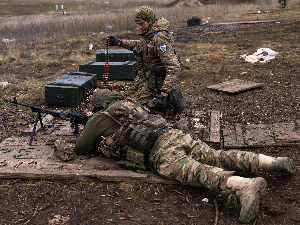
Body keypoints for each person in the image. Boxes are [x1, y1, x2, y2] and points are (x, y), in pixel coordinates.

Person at [73, 89, 294, 224]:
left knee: (196, 172)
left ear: (97, 105)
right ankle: (272, 162)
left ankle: (244, 186)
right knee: (217, 156)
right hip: (174, 133)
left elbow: (81, 148)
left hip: (160, 150)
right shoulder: (129, 103)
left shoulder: (99, 117)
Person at [107, 6, 182, 114]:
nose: (139, 27)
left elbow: (174, 66)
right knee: (121, 98)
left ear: (150, 21)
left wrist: (164, 93)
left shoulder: (159, 38)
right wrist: (119, 42)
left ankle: (170, 98)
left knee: (127, 109)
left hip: (156, 86)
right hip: (146, 82)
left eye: (141, 23)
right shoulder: (149, 34)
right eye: (137, 24)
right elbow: (140, 45)